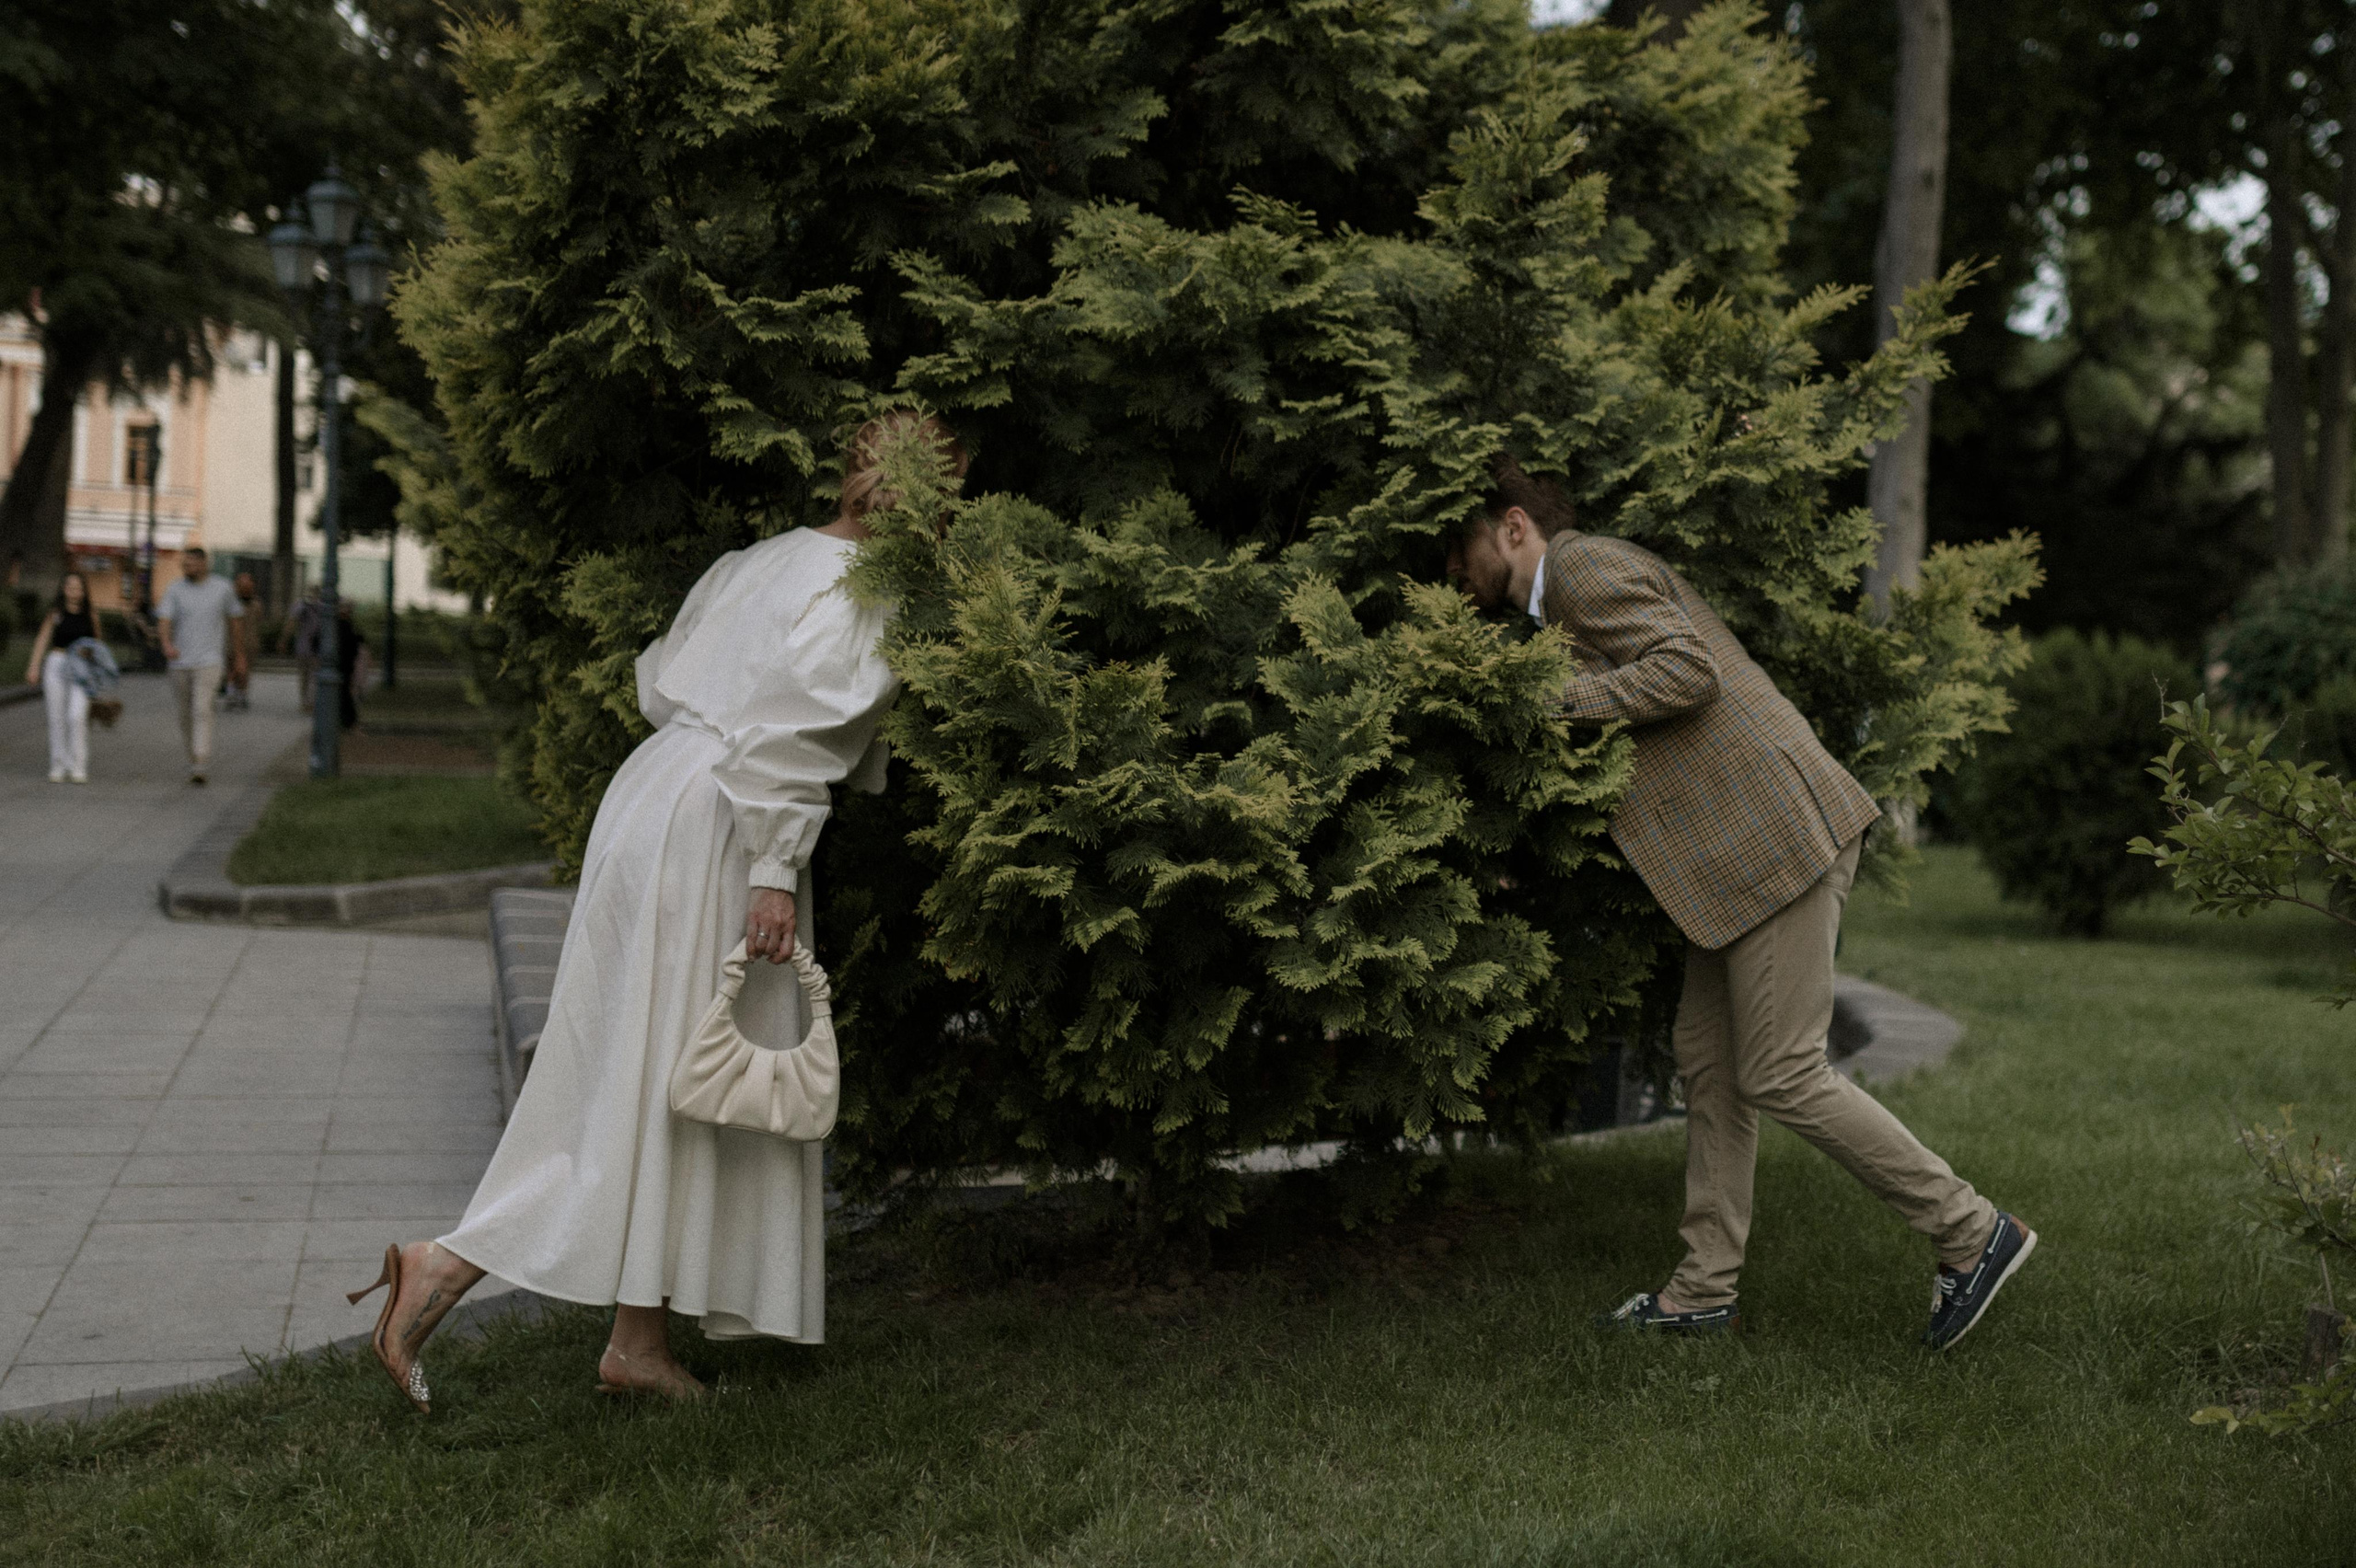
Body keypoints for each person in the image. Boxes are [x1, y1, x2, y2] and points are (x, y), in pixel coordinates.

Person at [348, 411, 964, 1411]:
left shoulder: (759, 559)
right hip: (726, 824)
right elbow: (792, 739)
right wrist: (772, 868)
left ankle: (635, 1345)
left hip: (656, 794)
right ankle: (446, 1265)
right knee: (663, 1074)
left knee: (655, 1070)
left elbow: (663, 680)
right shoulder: (875, 596)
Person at [1447, 455, 2036, 1351]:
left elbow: (1685, 670)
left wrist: (1550, 700)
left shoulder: (1579, 567)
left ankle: (1969, 1230)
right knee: (1709, 1062)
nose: (1455, 576)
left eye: (1461, 551)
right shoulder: (1558, 604)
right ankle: (1700, 1291)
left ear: (1513, 526)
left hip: (1772, 836)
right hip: (1736, 861)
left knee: (1781, 1069)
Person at [156, 547, 247, 785]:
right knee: (185, 714)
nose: (187, 568)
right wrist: (166, 644)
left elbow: (235, 621)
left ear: (204, 563)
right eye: (184, 565)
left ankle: (200, 763)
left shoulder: (223, 588)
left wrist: (238, 656)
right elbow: (164, 620)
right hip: (179, 662)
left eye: (191, 564)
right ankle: (193, 756)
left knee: (202, 708)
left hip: (209, 661)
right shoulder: (175, 589)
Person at [23, 571, 102, 784]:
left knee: (76, 716)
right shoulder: (55, 613)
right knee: (56, 717)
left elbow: (97, 646)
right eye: (70, 587)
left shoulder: (90, 614)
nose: (74, 592)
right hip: (57, 664)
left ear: (84, 591)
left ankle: (78, 765)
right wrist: (34, 666)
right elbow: (42, 639)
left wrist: (96, 671)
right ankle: (58, 764)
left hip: (81, 668)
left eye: (78, 588)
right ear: (63, 589)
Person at [223, 571, 260, 710]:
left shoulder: (256, 604)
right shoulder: (230, 604)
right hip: (231, 642)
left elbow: (258, 622)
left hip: (250, 643)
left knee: (245, 671)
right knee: (232, 670)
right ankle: (231, 695)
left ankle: (242, 694)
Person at [334, 597, 368, 731]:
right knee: (344, 693)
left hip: (345, 663)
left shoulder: (345, 623)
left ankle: (347, 721)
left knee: (345, 692)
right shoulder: (340, 624)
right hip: (342, 663)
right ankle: (349, 722)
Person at [292, 587, 322, 712]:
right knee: (309, 677)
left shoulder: (319, 606)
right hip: (309, 648)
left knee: (309, 677)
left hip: (310, 648)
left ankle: (308, 702)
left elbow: (291, 621)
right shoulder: (303, 606)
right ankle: (307, 702)